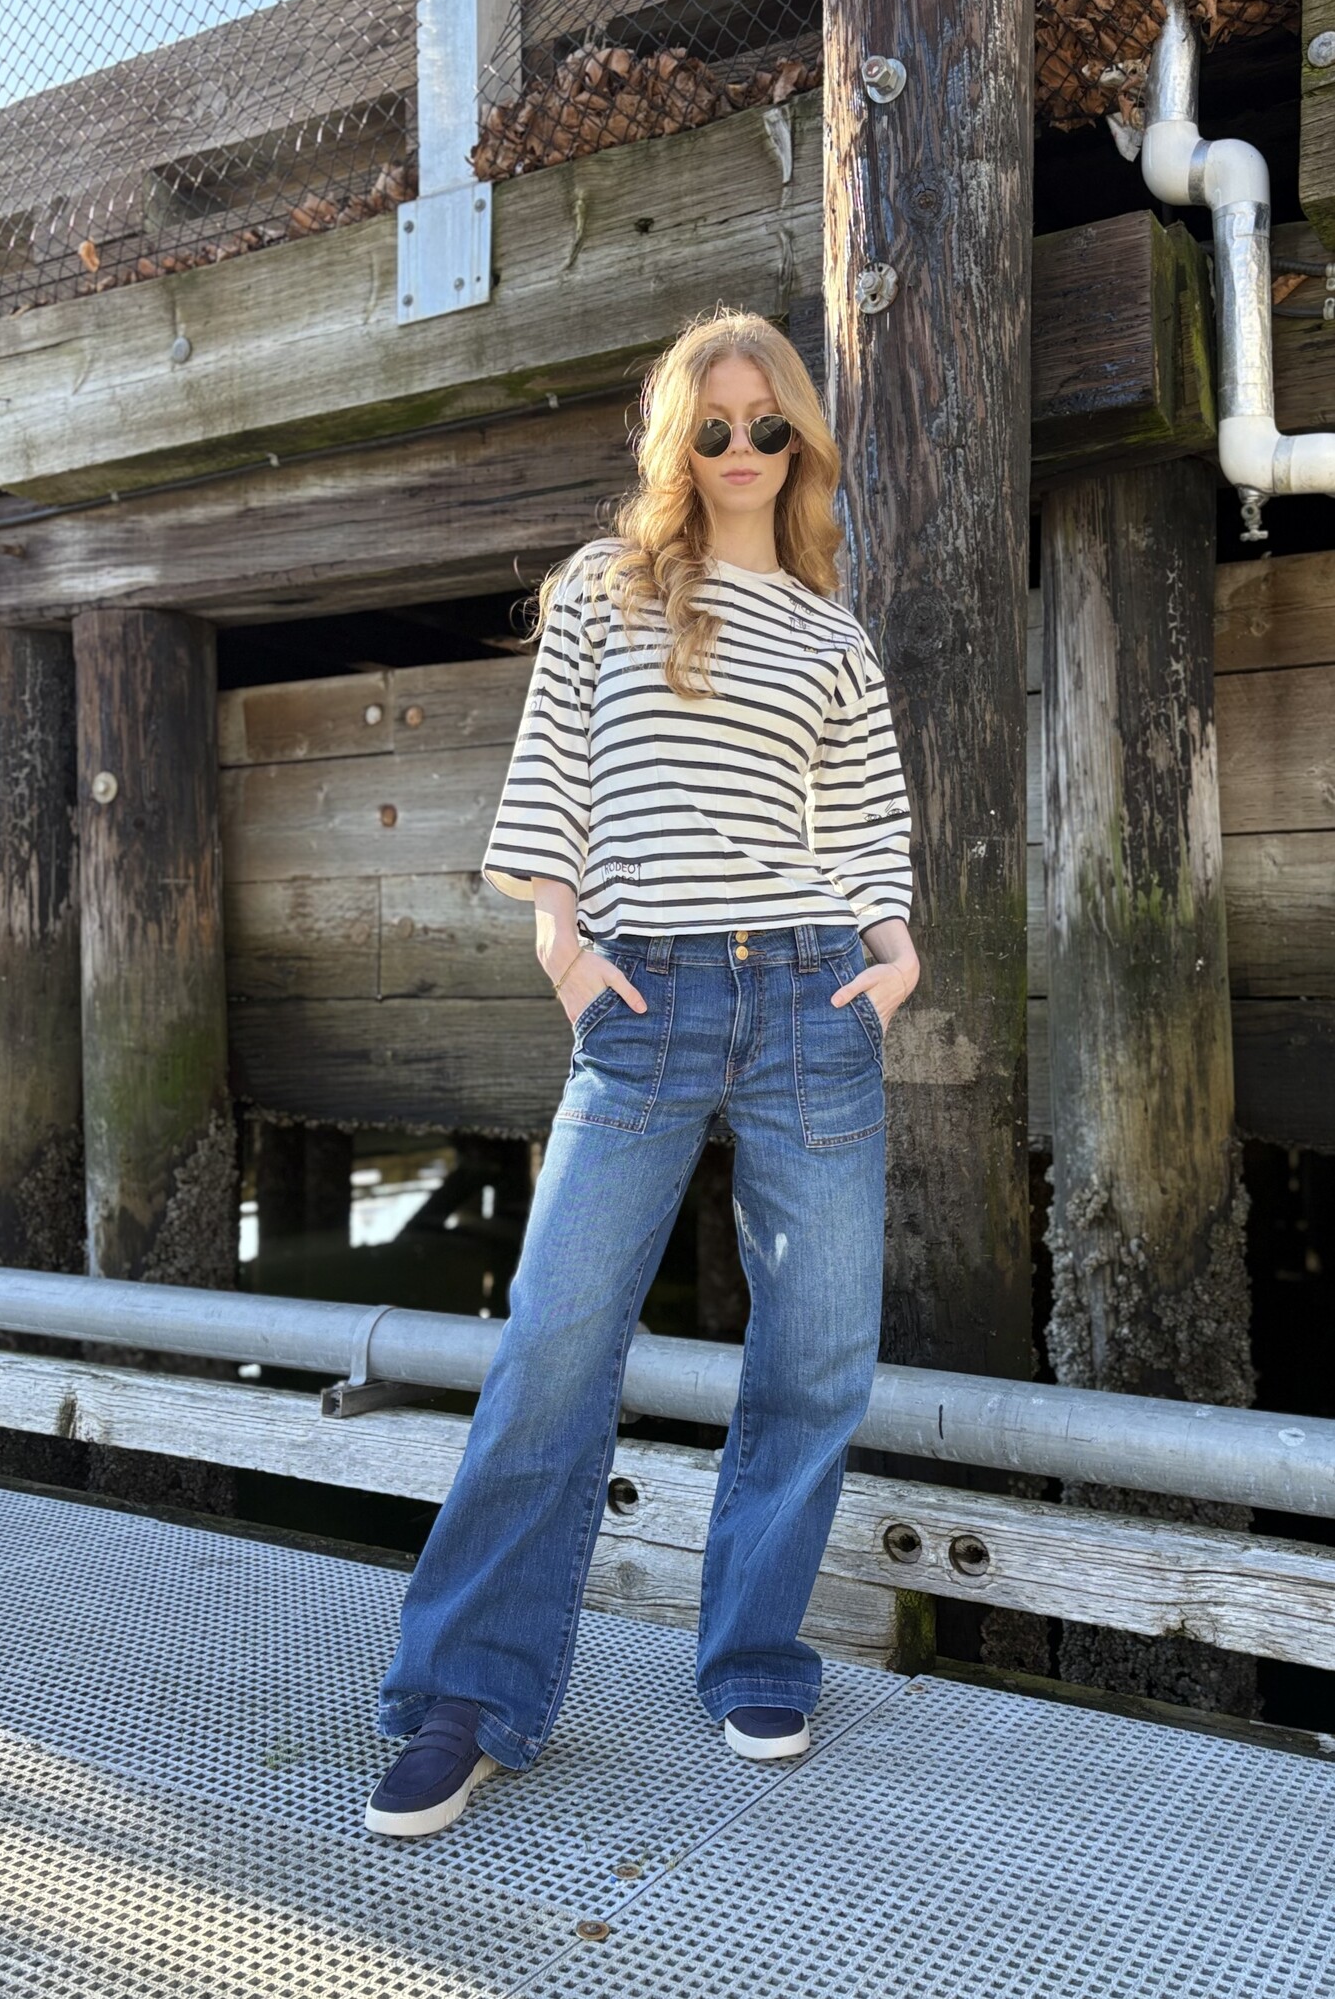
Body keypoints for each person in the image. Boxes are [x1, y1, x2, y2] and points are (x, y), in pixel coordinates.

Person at [364, 305, 920, 1837]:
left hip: (810, 995)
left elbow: (866, 819)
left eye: (767, 426)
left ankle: (754, 1653)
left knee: (818, 1351)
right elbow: (549, 777)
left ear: (798, 444)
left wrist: (890, 956)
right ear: (679, 438)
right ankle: (464, 1695)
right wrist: (558, 942)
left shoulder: (833, 634)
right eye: (713, 425)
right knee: (552, 1341)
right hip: (644, 995)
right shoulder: (605, 590)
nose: (741, 448)